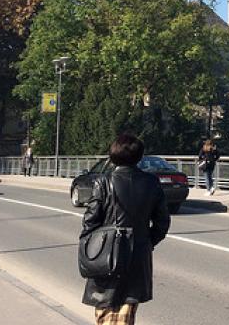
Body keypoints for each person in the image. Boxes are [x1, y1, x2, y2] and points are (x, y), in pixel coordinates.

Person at [80, 133, 170, 325]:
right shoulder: (151, 183)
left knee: (105, 308)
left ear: (112, 156)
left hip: (106, 255)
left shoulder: (103, 182)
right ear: (139, 157)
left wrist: (92, 248)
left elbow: (90, 222)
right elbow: (162, 223)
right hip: (137, 255)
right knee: (127, 309)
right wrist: (145, 242)